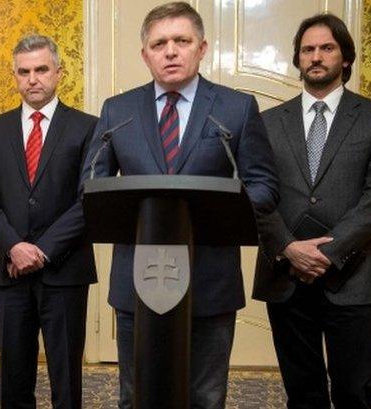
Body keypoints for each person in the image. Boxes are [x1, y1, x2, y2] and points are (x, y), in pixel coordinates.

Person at [83, 2, 279, 408]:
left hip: (210, 281)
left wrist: (223, 210)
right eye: (159, 43)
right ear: (145, 54)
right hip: (137, 282)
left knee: (205, 396)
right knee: (136, 395)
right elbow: (92, 185)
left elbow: (263, 185)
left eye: (181, 41)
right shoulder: (117, 112)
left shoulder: (235, 108)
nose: (170, 51)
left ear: (202, 48)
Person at [252, 13, 371, 409]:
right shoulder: (265, 123)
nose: (316, 57)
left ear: (345, 58)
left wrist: (326, 253)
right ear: (298, 59)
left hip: (352, 277)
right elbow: (253, 194)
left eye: (326, 48)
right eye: (307, 49)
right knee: (302, 392)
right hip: (286, 277)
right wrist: (288, 247)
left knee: (355, 390)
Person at [0, 34, 98, 409]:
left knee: (66, 378)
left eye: (41, 69)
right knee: (12, 376)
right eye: (24, 72)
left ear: (58, 72)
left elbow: (88, 200)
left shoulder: (87, 127)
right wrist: (13, 245)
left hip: (65, 271)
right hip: (8, 271)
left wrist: (41, 251)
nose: (33, 79)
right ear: (14, 77)